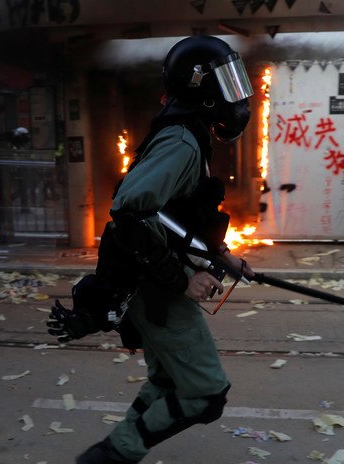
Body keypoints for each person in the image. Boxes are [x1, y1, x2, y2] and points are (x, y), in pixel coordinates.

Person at [74, 35, 256, 463]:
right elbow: (130, 213)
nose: (238, 97)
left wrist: (221, 255)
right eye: (227, 83)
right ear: (202, 90)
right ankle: (112, 455)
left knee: (170, 382)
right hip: (157, 288)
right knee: (206, 394)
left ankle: (112, 453)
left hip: (152, 285)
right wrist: (184, 279)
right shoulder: (181, 141)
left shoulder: (187, 134)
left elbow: (176, 217)